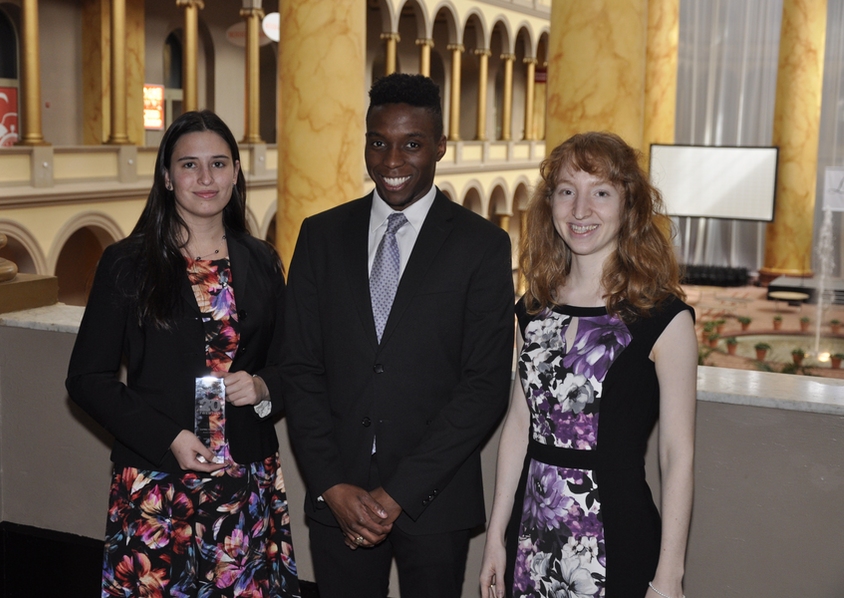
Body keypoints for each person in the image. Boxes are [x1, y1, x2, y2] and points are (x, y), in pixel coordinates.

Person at [282, 73, 515, 598]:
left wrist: (397, 494)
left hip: (435, 501)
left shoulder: (482, 246)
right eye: (378, 142)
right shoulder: (321, 235)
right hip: (337, 497)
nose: (391, 161)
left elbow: (483, 387)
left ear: (440, 147)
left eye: (411, 144)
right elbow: (299, 367)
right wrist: (331, 484)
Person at [66, 110, 299, 597]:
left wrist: (261, 386)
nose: (206, 178)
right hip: (157, 485)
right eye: (189, 165)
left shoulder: (263, 260)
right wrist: (168, 436)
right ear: (168, 178)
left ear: (236, 172)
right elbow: (87, 378)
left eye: (218, 163)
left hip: (245, 481)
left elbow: (293, 364)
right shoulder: (126, 263)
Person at [480, 132, 697, 598]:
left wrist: (670, 577)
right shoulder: (534, 310)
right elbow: (520, 425)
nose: (580, 210)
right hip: (530, 535)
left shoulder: (664, 320)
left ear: (629, 207)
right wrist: (496, 536)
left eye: (600, 192)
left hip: (617, 536)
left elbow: (676, 455)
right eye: (566, 191)